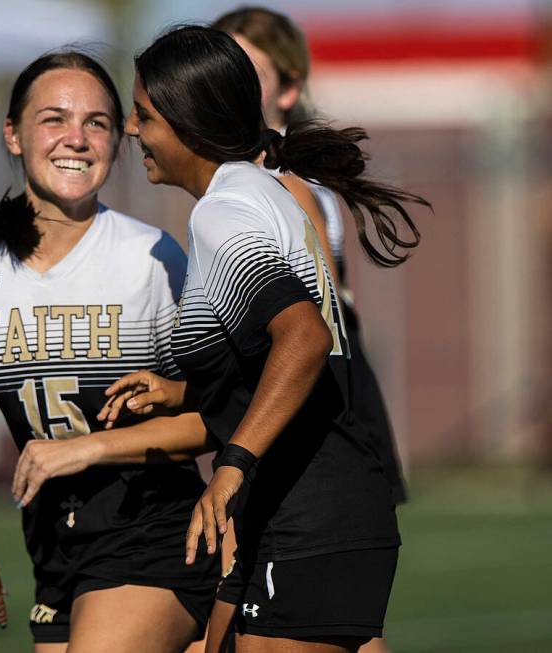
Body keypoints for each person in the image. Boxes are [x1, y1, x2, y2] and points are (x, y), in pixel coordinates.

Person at [103, 26, 430, 653]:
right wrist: (183, 390)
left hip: (308, 514)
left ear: (188, 123)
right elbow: (267, 353)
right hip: (309, 508)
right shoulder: (258, 193)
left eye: (142, 115)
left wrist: (230, 466)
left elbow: (303, 339)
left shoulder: (224, 214)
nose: (130, 130)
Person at [0, 51, 221, 652]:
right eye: (54, 118)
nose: (77, 137)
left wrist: (89, 448)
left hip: (154, 531)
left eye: (97, 122)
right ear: (13, 134)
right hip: (53, 545)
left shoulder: (151, 256)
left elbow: (218, 415)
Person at [204, 9, 411, 652]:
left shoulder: (283, 187)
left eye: (247, 73)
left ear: (287, 89)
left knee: (311, 613)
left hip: (322, 407)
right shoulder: (249, 182)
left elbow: (314, 326)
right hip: (303, 402)